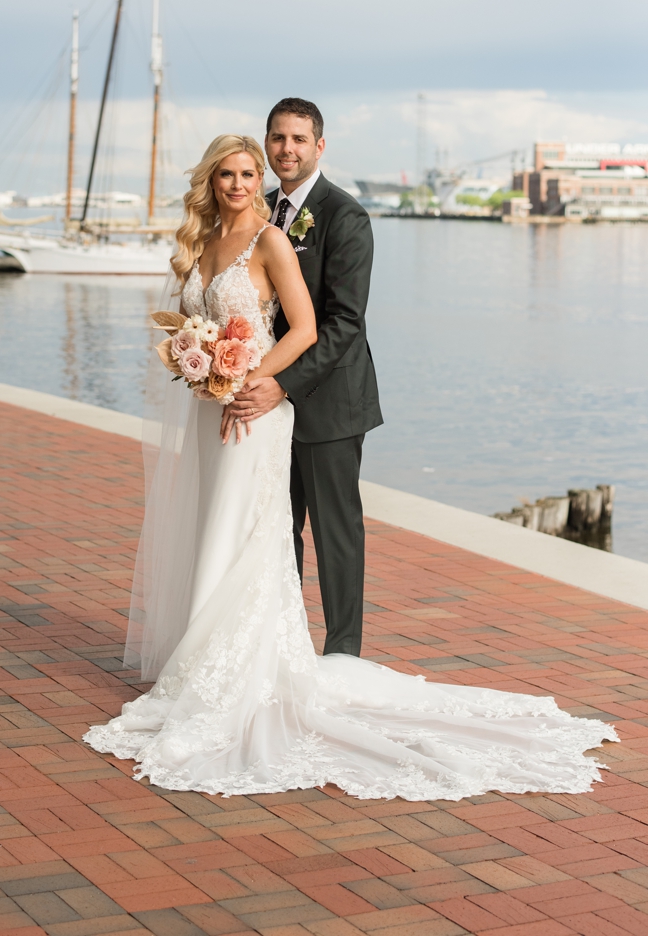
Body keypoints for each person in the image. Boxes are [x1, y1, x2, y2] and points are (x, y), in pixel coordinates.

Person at [85, 134, 615, 800]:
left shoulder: (277, 238)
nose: (241, 182)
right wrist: (195, 360)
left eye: (250, 171)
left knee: (253, 534)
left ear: (304, 151)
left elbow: (309, 328)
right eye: (230, 172)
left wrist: (251, 377)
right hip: (210, 410)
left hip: (257, 405)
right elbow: (192, 321)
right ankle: (201, 658)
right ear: (211, 180)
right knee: (207, 527)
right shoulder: (201, 242)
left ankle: (244, 670)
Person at [224, 98, 382, 655]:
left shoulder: (345, 215)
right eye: (277, 138)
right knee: (275, 527)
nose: (286, 149)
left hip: (329, 400)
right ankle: (282, 645)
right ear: (266, 144)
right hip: (266, 404)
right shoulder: (257, 210)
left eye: (298, 139)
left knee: (335, 534)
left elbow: (345, 323)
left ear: (319, 146)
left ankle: (343, 655)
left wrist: (282, 384)